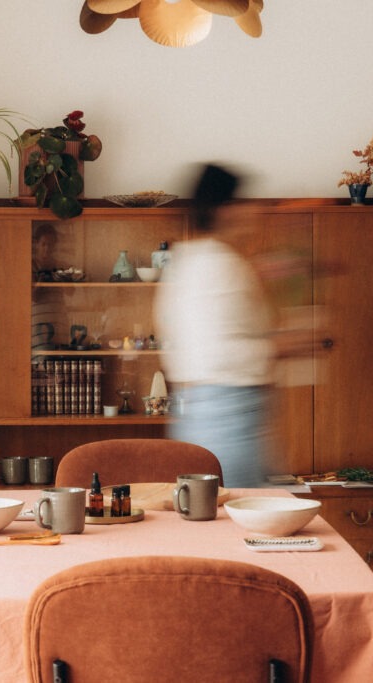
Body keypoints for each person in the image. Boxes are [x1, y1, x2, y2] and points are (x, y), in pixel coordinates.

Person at [154, 163, 287, 487]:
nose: (253, 210)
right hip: (229, 416)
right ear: (225, 210)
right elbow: (219, 354)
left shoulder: (189, 260)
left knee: (219, 517)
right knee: (237, 521)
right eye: (244, 202)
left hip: (201, 413)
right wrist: (281, 345)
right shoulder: (221, 264)